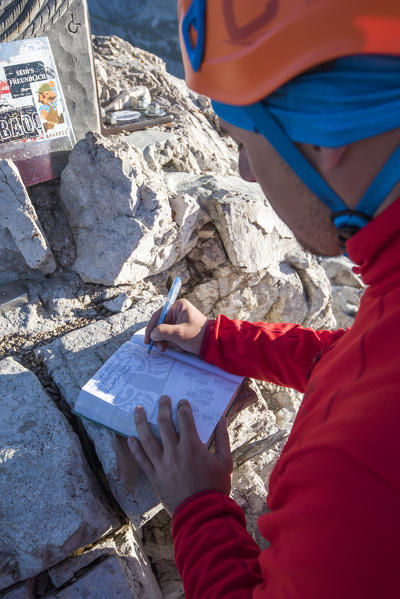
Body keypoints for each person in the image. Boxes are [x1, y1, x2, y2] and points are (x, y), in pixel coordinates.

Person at [127, 2, 400, 597]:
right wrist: (221, 340)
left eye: (244, 141)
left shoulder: (353, 472)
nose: (247, 171)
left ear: (322, 137)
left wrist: (198, 506)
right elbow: (362, 356)